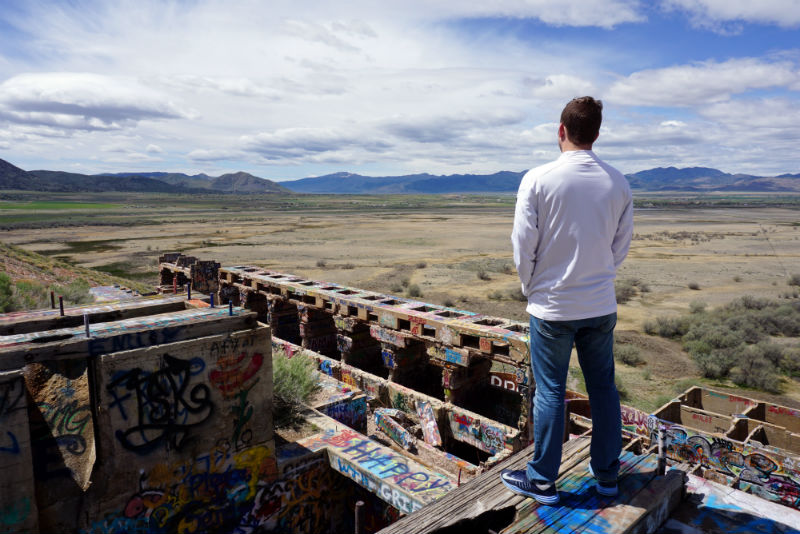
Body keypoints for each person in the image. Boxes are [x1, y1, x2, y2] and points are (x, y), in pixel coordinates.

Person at [501, 96, 633, 505]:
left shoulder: (538, 179)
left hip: (552, 307)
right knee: (604, 389)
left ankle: (542, 480)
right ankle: (608, 475)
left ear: (561, 131)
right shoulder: (617, 182)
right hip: (599, 304)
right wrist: (596, 276)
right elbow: (620, 247)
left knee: (551, 391)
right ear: (596, 133)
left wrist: (532, 287)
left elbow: (523, 244)